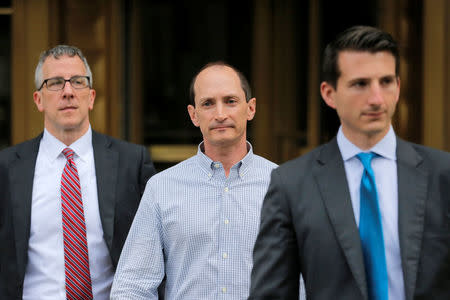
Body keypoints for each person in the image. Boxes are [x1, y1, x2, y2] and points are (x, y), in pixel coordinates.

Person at [249, 25, 450, 300]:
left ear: (399, 87)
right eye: (360, 84)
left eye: (386, 82)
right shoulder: (291, 184)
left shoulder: (443, 175)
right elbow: (271, 294)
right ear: (329, 93)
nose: (377, 98)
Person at [110, 62, 278, 299]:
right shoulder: (162, 188)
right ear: (193, 114)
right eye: (208, 103)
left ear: (250, 108)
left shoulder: (283, 186)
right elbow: (132, 286)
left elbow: (307, 281)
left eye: (230, 101)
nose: (220, 114)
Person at [0, 45, 156, 299]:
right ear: (38, 100)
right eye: (55, 83)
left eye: (78, 82)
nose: (68, 92)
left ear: (92, 97)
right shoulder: (6, 168)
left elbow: (152, 251)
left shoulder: (132, 162)